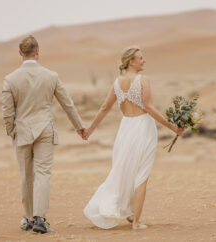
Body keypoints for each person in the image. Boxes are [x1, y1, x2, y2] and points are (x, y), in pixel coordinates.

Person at [83, 46, 184, 230]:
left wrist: (90, 129)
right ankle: (136, 222)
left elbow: (105, 107)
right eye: (141, 58)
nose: (144, 61)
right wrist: (173, 127)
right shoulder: (143, 80)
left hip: (125, 129)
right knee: (141, 175)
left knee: (124, 169)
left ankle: (129, 213)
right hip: (143, 128)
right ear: (131, 61)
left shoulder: (117, 82)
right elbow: (149, 108)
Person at [1, 35, 85, 234]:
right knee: (43, 174)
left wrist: (11, 131)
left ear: (20, 53)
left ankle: (28, 218)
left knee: (26, 175)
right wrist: (79, 126)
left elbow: (7, 112)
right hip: (45, 130)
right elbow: (67, 103)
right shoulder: (51, 76)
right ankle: (40, 218)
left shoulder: (10, 79)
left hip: (22, 131)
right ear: (38, 52)